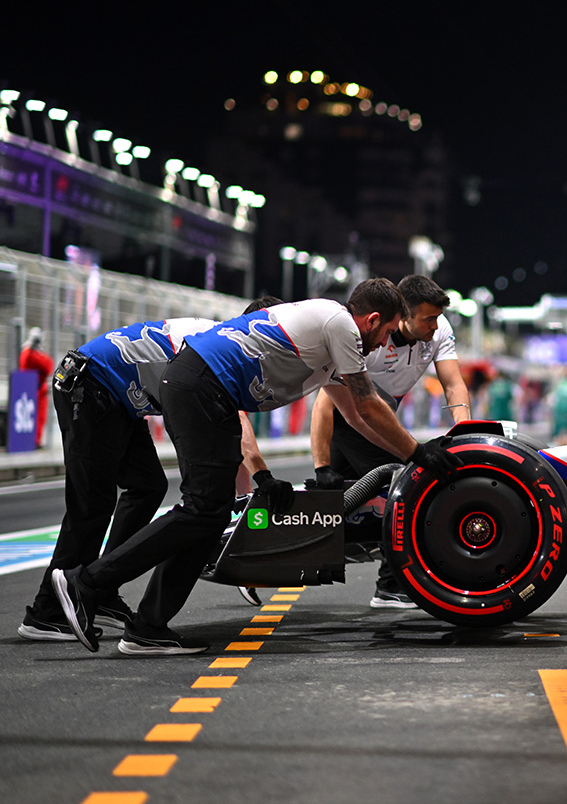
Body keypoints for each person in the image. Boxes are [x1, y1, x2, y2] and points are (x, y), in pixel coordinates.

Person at [51, 279, 459, 656]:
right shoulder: (341, 326)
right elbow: (370, 403)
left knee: (209, 514)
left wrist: (405, 459)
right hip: (197, 387)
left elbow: (356, 417)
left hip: (209, 393)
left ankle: (148, 627)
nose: (384, 342)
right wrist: (419, 454)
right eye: (386, 332)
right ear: (372, 320)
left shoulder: (332, 338)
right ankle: (87, 583)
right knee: (201, 508)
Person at [17, 298, 282, 643]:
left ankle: (103, 590)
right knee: (91, 506)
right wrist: (260, 478)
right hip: (91, 386)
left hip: (117, 398)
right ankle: (47, 612)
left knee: (148, 486)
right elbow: (238, 426)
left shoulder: (221, 338)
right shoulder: (223, 348)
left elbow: (225, 431)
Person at [309, 274, 471, 609]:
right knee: (404, 486)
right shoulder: (370, 340)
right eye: (428, 318)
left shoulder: (439, 332)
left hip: (379, 416)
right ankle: (391, 586)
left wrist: (464, 432)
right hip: (349, 416)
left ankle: (274, 558)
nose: (435, 326)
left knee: (335, 507)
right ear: (403, 315)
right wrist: (321, 463)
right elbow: (326, 403)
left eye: (438, 318)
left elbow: (454, 385)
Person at [18, 327, 55, 448]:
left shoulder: (28, 352)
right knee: (37, 416)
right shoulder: (31, 354)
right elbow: (48, 365)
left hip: (33, 389)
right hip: (36, 390)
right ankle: (34, 441)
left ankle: (34, 440)